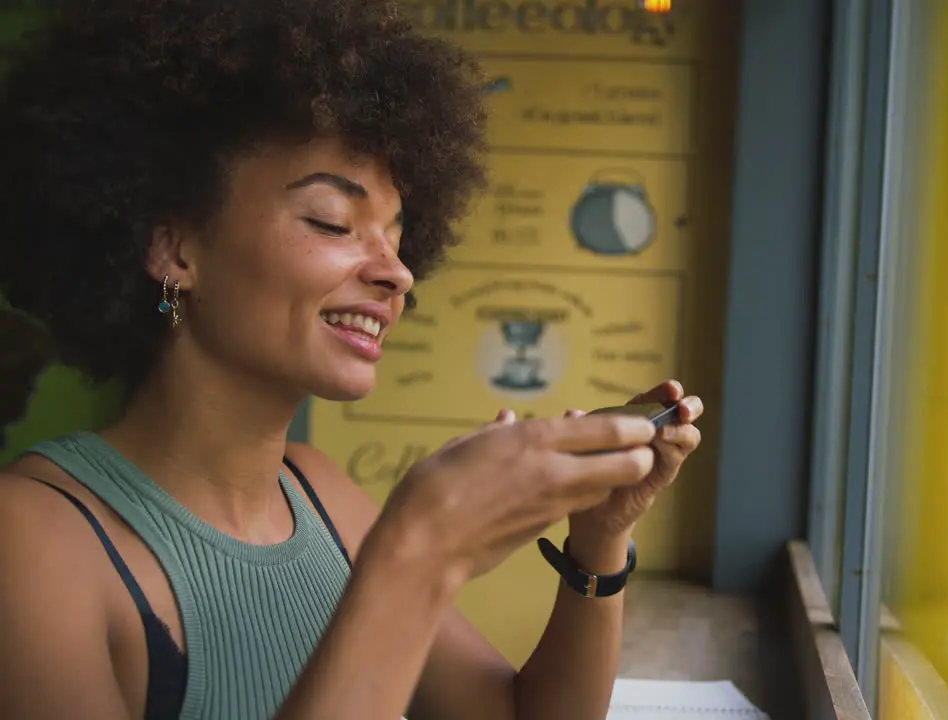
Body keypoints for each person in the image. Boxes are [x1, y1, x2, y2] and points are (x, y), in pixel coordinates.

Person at [0, 0, 705, 718]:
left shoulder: (319, 494)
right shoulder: (30, 538)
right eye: (332, 222)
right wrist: (421, 551)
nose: (397, 273)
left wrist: (598, 539)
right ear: (175, 250)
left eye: (398, 238)